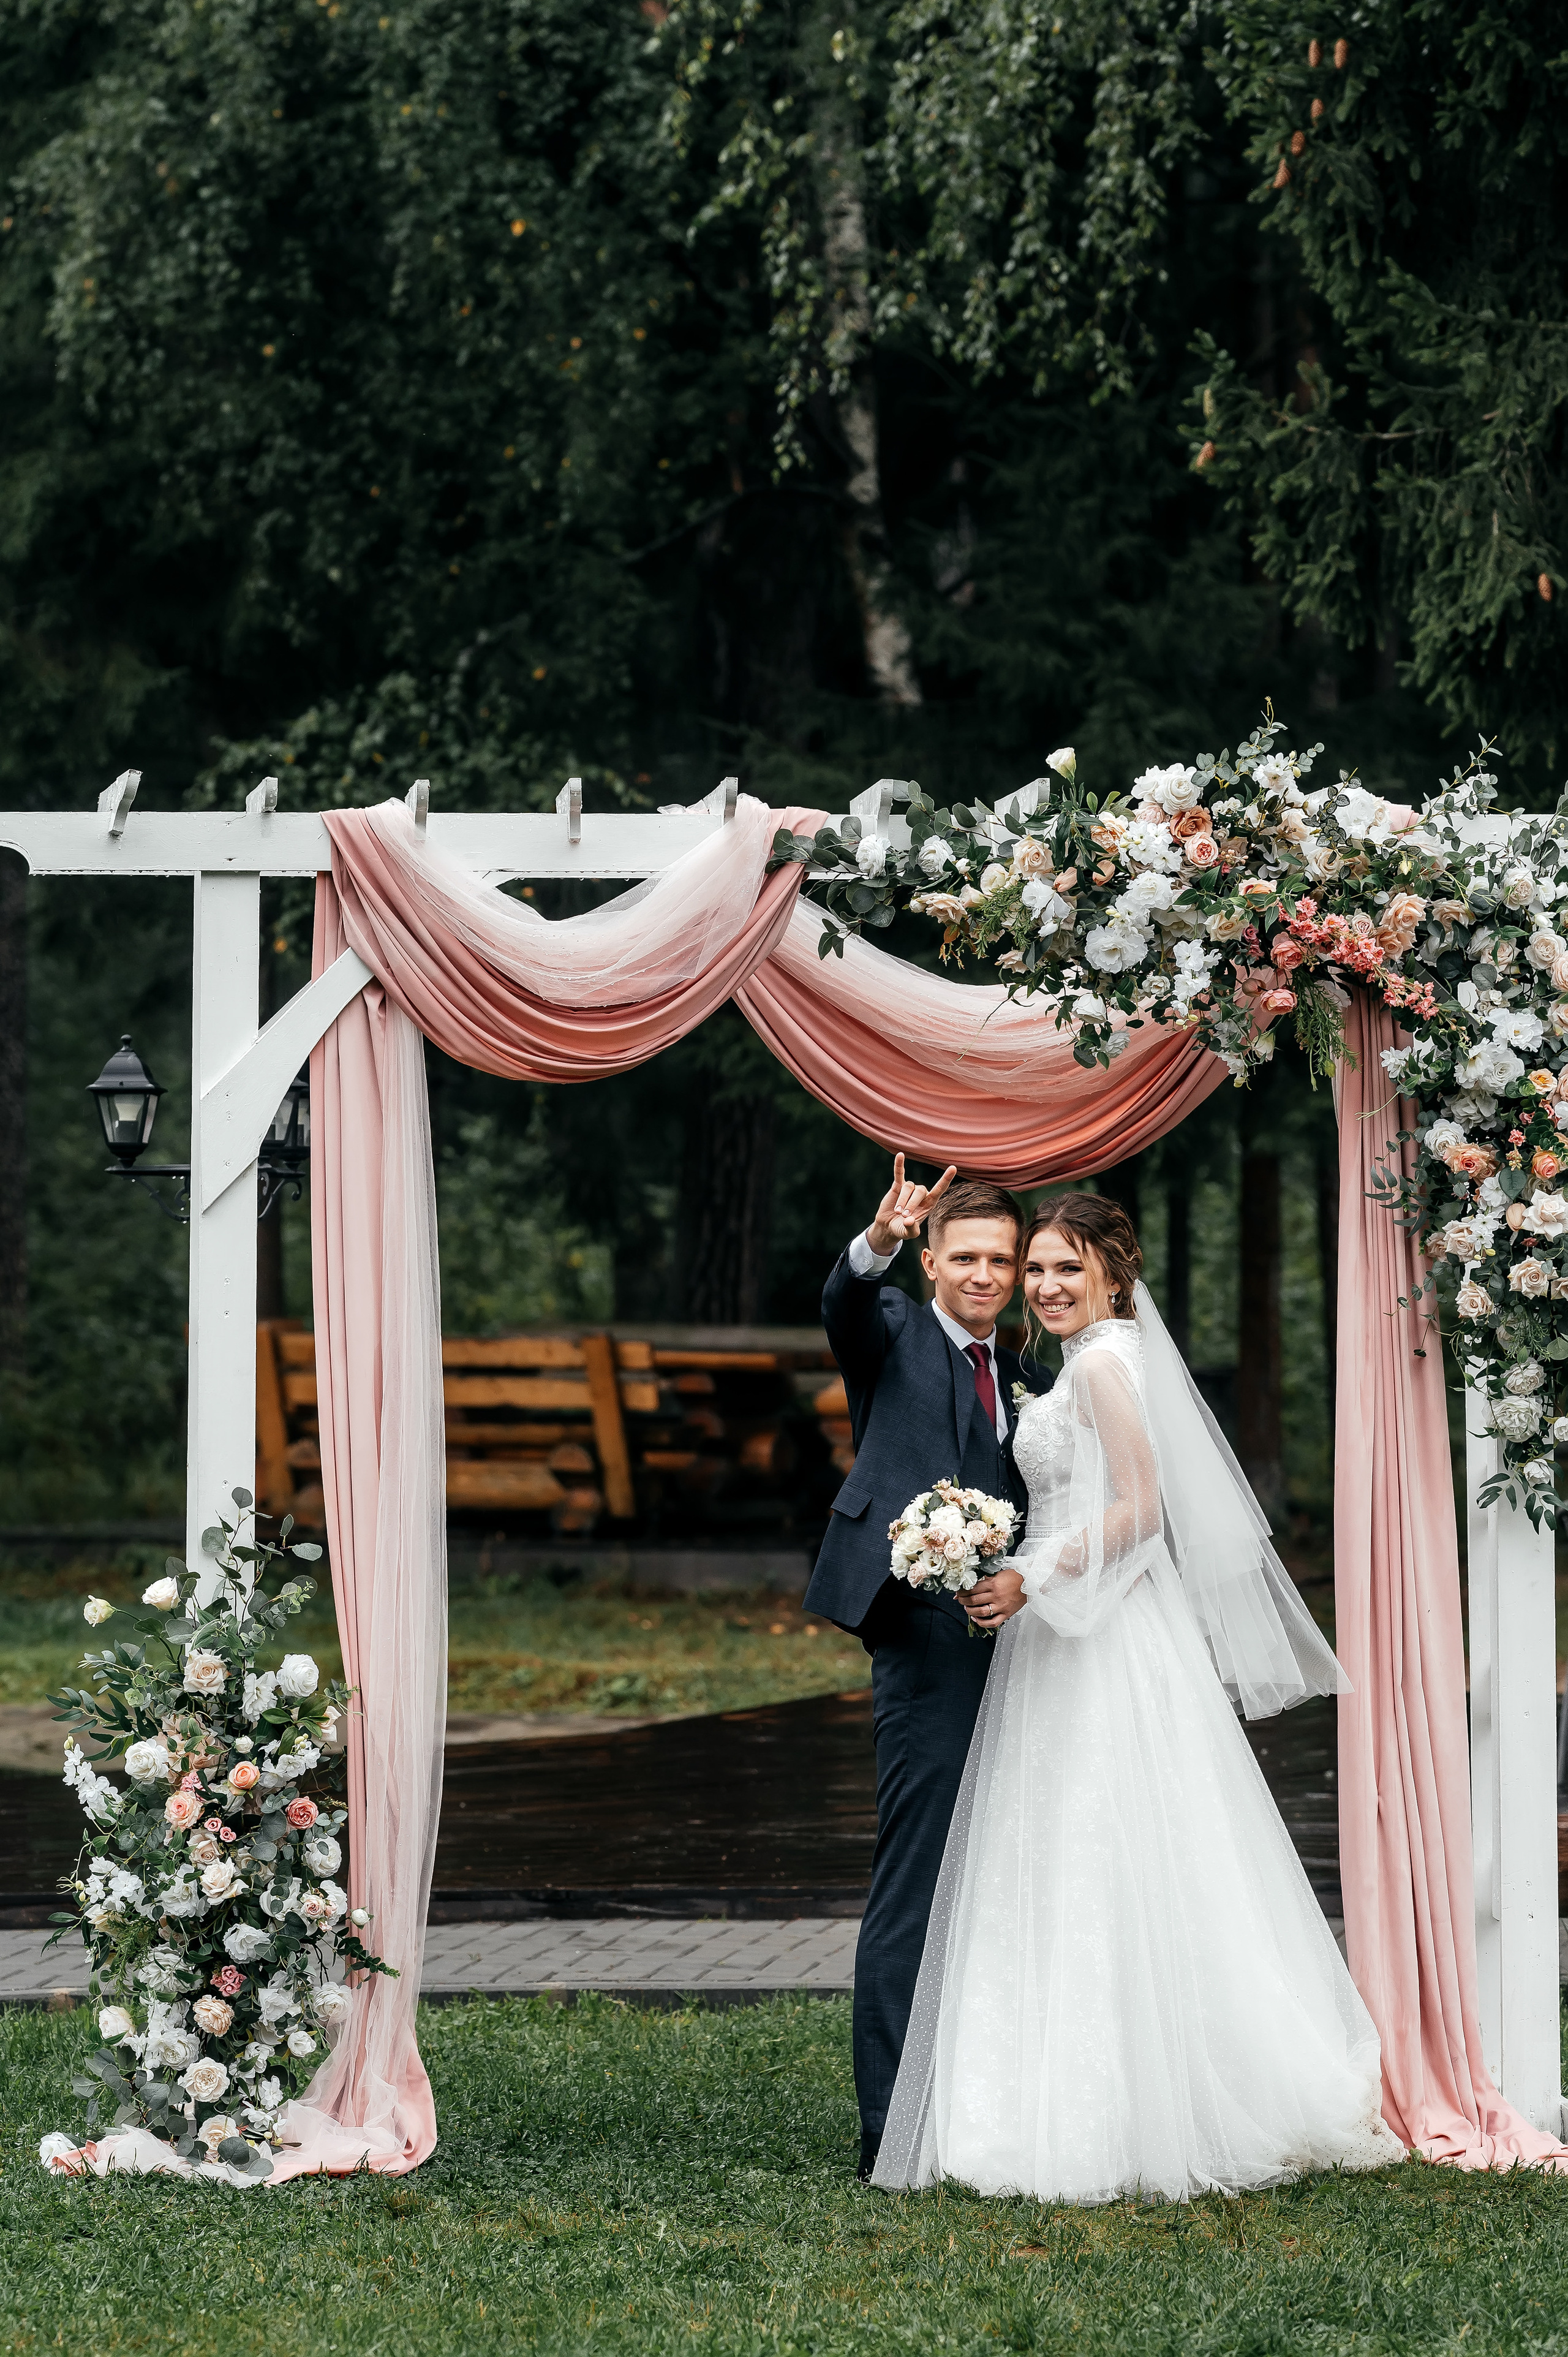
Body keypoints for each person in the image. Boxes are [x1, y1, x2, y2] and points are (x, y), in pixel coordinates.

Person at [872, 1194, 1405, 2203]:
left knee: (1096, 1843)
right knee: (1080, 1846)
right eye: (1037, 1270)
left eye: (1067, 1269)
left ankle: (1125, 2103)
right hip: (1071, 1627)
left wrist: (1034, 1574)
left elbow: (1139, 1509)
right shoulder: (1088, 1362)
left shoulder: (1109, 1364)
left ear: (1115, 1274)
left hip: (1097, 1632)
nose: (1045, 1287)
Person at [805, 1156, 1052, 2183]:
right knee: (920, 1869)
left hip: (1024, 1641)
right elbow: (845, 1302)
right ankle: (892, 2130)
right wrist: (880, 1244)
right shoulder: (896, 1327)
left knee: (1005, 1864)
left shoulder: (1034, 1375)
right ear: (936, 1261)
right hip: (920, 1634)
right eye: (967, 1257)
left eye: (1003, 1258)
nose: (986, 1275)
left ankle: (990, 2099)